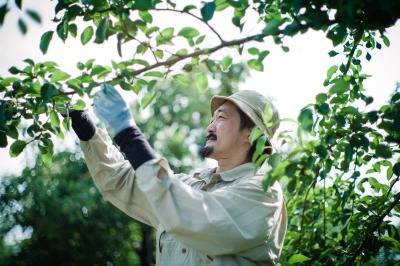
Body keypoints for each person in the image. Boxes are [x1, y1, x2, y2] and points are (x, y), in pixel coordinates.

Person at [68, 84, 287, 265]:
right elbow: (121, 180)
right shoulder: (187, 186)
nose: (210, 127)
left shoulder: (263, 192)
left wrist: (130, 134)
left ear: (251, 134)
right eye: (211, 119)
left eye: (221, 118)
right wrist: (86, 128)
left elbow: (198, 217)